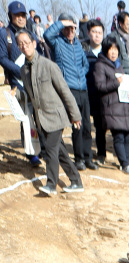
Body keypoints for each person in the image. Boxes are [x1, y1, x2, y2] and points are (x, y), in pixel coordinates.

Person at [16, 27, 83, 194]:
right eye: (20, 44)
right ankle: (76, 181)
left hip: (56, 116)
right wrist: (16, 94)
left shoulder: (49, 65)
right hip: (41, 118)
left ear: (33, 43)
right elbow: (28, 95)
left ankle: (51, 185)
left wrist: (75, 115)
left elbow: (65, 91)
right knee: (60, 152)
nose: (24, 46)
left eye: (27, 42)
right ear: (18, 48)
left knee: (51, 150)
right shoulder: (23, 70)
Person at [44, 14, 95, 170]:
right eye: (67, 28)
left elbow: (85, 64)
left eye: (72, 27)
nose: (70, 31)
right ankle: (79, 158)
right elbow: (47, 35)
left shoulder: (78, 45)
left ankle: (88, 158)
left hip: (83, 89)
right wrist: (62, 22)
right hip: (69, 90)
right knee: (77, 126)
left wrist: (81, 73)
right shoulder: (57, 42)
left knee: (86, 125)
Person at [0, 0, 44, 166]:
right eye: (17, 15)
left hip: (35, 79)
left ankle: (43, 149)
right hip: (17, 81)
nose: (20, 18)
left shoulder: (30, 31)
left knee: (39, 114)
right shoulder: (5, 34)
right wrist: (20, 72)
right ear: (10, 16)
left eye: (23, 15)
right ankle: (31, 152)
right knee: (26, 117)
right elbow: (2, 58)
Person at [93, 33, 129, 173]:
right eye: (111, 49)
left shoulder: (119, 66)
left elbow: (126, 85)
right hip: (111, 106)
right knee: (118, 136)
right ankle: (124, 164)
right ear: (105, 50)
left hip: (124, 105)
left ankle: (127, 160)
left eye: (116, 49)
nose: (113, 52)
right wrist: (115, 83)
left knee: (128, 134)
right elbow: (99, 86)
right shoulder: (100, 65)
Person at [83, 19, 106, 164]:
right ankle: (85, 154)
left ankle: (101, 154)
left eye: (99, 32)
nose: (97, 35)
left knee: (100, 126)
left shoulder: (107, 51)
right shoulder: (82, 51)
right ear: (88, 33)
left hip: (102, 95)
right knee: (85, 126)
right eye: (94, 32)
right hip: (86, 93)